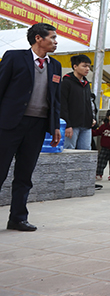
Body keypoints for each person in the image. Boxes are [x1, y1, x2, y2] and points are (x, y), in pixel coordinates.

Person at [0, 23, 62, 232]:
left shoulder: (56, 66)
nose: (55, 42)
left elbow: (55, 100)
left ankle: (17, 218)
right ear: (38, 38)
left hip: (37, 126)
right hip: (9, 125)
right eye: (52, 38)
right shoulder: (14, 57)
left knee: (25, 175)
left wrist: (55, 127)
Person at [61, 54, 95, 150]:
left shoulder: (87, 84)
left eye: (89, 66)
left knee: (85, 151)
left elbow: (89, 103)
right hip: (72, 125)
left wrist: (92, 118)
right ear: (75, 66)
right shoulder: (66, 83)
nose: (87, 69)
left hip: (86, 125)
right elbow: (62, 105)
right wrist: (67, 125)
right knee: (68, 150)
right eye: (84, 66)